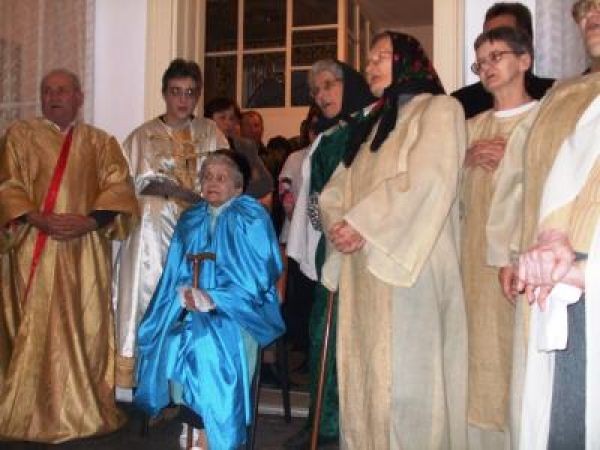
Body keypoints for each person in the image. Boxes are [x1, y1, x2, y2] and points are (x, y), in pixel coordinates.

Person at [319, 33, 467, 449]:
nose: (369, 67)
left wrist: (362, 223)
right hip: (363, 271)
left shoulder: (440, 110)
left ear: (407, 60)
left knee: (409, 388)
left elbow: (428, 179)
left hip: (410, 267)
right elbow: (336, 188)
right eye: (368, 60)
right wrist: (340, 224)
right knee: (366, 383)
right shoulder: (374, 127)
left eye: (380, 57)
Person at [0, 69, 138, 442]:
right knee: (32, 329)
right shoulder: (19, 136)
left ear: (79, 97)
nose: (53, 96)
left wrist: (89, 222)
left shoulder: (100, 142)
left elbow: (119, 190)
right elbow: (7, 185)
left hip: (84, 251)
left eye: (62, 90)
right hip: (32, 246)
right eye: (47, 91)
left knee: (81, 326)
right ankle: (25, 412)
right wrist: (38, 218)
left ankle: (81, 409)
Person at [491, 2, 600, 447]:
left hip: (584, 271)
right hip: (545, 270)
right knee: (549, 409)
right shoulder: (560, 95)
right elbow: (522, 174)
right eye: (585, 9)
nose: (592, 14)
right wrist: (511, 251)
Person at [134, 149, 285, 450]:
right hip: (194, 308)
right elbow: (174, 271)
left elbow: (258, 275)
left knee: (207, 345)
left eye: (221, 178)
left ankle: (210, 433)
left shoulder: (251, 217)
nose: (212, 183)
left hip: (242, 311)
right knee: (175, 339)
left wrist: (214, 298)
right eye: (207, 177)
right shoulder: (191, 218)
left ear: (238, 187)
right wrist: (184, 295)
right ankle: (194, 424)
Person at [112, 59, 228, 394]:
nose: (182, 100)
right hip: (150, 236)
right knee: (146, 298)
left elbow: (227, 179)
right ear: (164, 93)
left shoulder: (210, 133)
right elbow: (123, 185)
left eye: (190, 93)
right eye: (176, 91)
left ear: (198, 95)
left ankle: (184, 387)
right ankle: (142, 385)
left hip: (197, 234)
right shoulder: (142, 136)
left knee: (191, 304)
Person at [284, 59, 375, 449]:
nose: (321, 95)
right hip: (329, 245)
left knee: (351, 334)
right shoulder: (327, 136)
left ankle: (346, 425)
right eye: (315, 90)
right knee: (322, 331)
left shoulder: (371, 127)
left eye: (328, 85)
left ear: (348, 83)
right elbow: (313, 197)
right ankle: (322, 421)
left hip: (359, 245)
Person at [460, 26, 538, 450]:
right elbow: (444, 195)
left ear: (524, 60)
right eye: (480, 62)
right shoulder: (470, 128)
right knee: (476, 363)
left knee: (519, 362)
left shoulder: (545, 119)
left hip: (523, 265)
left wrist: (519, 158)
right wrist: (464, 160)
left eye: (496, 56)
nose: (487, 67)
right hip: (471, 268)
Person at [515, 80, 600, 449]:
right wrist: (552, 241)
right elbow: (570, 170)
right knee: (566, 426)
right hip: (575, 290)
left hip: (586, 277)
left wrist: (587, 273)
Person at [452, 2, 554, 119]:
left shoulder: (555, 96)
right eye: (488, 36)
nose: (491, 43)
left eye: (501, 35)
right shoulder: (461, 104)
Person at [204, 97, 273, 208]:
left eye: (232, 118)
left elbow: (265, 184)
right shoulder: (201, 148)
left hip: (242, 210)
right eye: (222, 118)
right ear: (209, 121)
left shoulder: (245, 147)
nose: (228, 123)